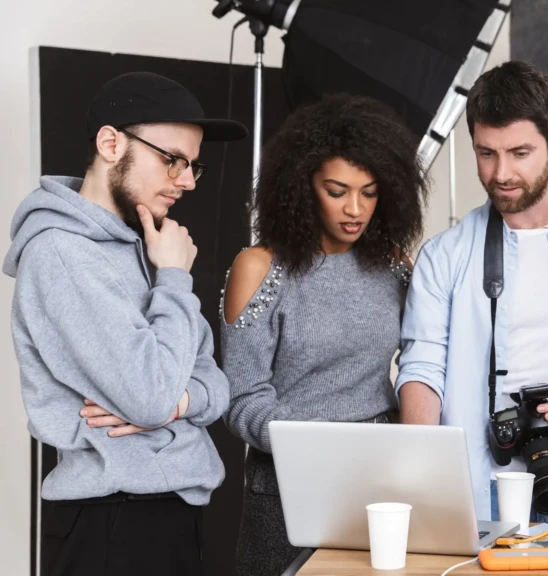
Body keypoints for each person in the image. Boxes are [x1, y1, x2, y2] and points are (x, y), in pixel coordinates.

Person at [3, 72, 246, 576]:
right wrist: (175, 278)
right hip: (112, 523)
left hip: (162, 512)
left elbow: (212, 382)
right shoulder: (62, 253)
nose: (187, 180)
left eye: (194, 165)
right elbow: (149, 395)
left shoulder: (144, 245)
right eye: (172, 159)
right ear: (111, 143)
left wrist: (179, 402)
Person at [397, 60, 548, 526]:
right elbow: (421, 368)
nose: (501, 173)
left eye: (520, 153)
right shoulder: (442, 255)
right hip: (475, 485)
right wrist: (424, 482)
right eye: (486, 153)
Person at [220, 93, 427, 576]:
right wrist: (319, 446)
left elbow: (419, 368)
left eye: (370, 192)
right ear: (302, 185)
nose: (355, 208)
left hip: (378, 486)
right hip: (287, 489)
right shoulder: (260, 268)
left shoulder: (394, 265)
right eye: (337, 191)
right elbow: (241, 398)